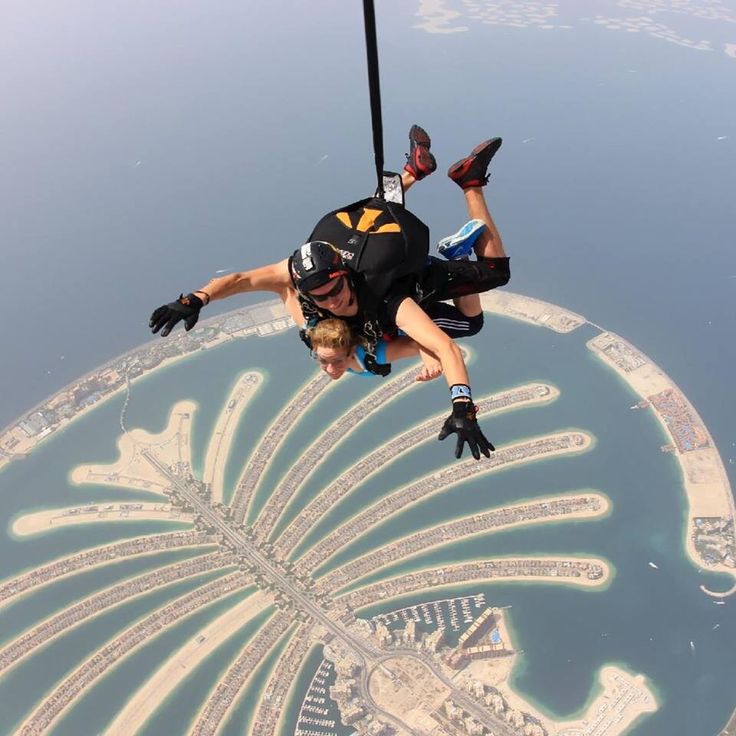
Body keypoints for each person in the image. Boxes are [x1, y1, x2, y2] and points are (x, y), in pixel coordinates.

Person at [149, 126, 509, 460]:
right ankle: (414, 170)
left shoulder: (385, 305)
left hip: (416, 280)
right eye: (320, 296)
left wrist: (463, 407)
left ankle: (470, 183)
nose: (331, 299)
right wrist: (195, 299)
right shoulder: (300, 284)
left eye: (335, 289)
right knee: (383, 208)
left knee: (491, 283)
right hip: (375, 262)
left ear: (342, 273)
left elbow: (445, 346)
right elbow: (243, 280)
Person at [306, 317, 442, 382]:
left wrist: (430, 360)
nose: (330, 369)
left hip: (431, 320)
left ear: (352, 351)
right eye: (322, 360)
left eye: (337, 361)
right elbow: (285, 286)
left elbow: (417, 344)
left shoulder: (375, 355)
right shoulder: (316, 341)